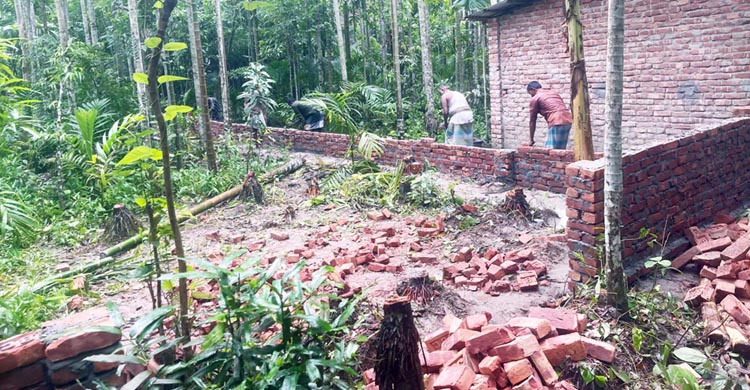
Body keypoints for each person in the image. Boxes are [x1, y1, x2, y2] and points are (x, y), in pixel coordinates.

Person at [526, 81, 573, 149]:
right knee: (560, 150)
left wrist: (531, 139)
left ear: (533, 89)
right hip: (567, 119)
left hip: (556, 120)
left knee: (550, 150)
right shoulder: (552, 93)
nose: (531, 96)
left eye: (530, 93)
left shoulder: (535, 98)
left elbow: (532, 121)